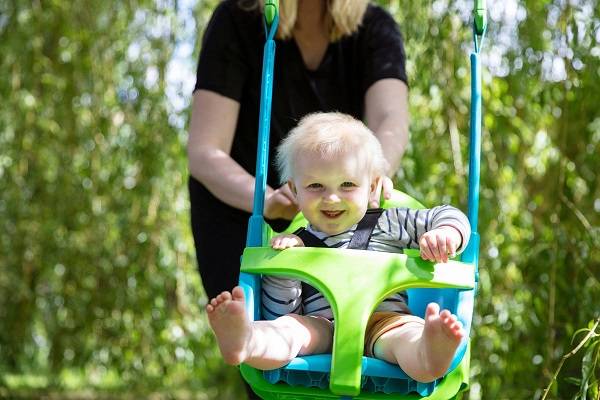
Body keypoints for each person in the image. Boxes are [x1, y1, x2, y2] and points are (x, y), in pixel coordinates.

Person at [206, 112, 471, 383]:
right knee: (288, 329)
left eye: (347, 184)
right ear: (294, 191)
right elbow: (283, 311)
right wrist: (285, 268)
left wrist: (445, 233)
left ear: (373, 186)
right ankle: (248, 341)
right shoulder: (294, 243)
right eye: (316, 186)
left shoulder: (389, 223)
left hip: (383, 321)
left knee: (406, 336)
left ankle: (430, 353)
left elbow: (450, 215)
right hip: (321, 327)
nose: (331, 197)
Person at [187, 0, 410, 302]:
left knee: (341, 325)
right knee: (258, 333)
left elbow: (391, 121)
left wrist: (374, 172)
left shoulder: (375, 28)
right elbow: (205, 151)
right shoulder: (237, 18)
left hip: (339, 213)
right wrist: (265, 200)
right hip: (242, 210)